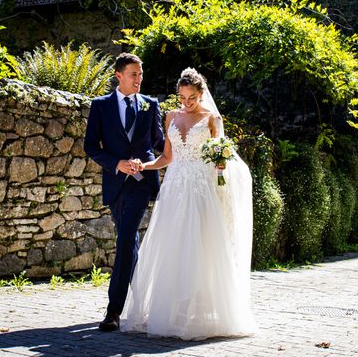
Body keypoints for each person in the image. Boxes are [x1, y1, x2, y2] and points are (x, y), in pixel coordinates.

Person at [120, 68, 256, 340]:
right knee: (173, 246)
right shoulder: (171, 116)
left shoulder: (211, 119)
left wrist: (221, 165)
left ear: (201, 94)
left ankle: (193, 313)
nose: (185, 103)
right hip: (174, 189)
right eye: (181, 97)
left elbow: (221, 157)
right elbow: (167, 158)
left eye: (191, 98)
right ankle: (171, 312)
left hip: (200, 189)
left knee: (199, 248)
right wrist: (142, 165)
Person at [84, 53, 164, 332]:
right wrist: (116, 163)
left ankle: (113, 312)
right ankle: (144, 303)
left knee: (126, 237)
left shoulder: (150, 105)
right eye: (134, 74)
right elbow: (91, 146)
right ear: (119, 75)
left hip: (142, 183)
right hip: (116, 183)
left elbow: (160, 143)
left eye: (141, 74)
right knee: (130, 243)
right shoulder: (100, 106)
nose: (139, 79)